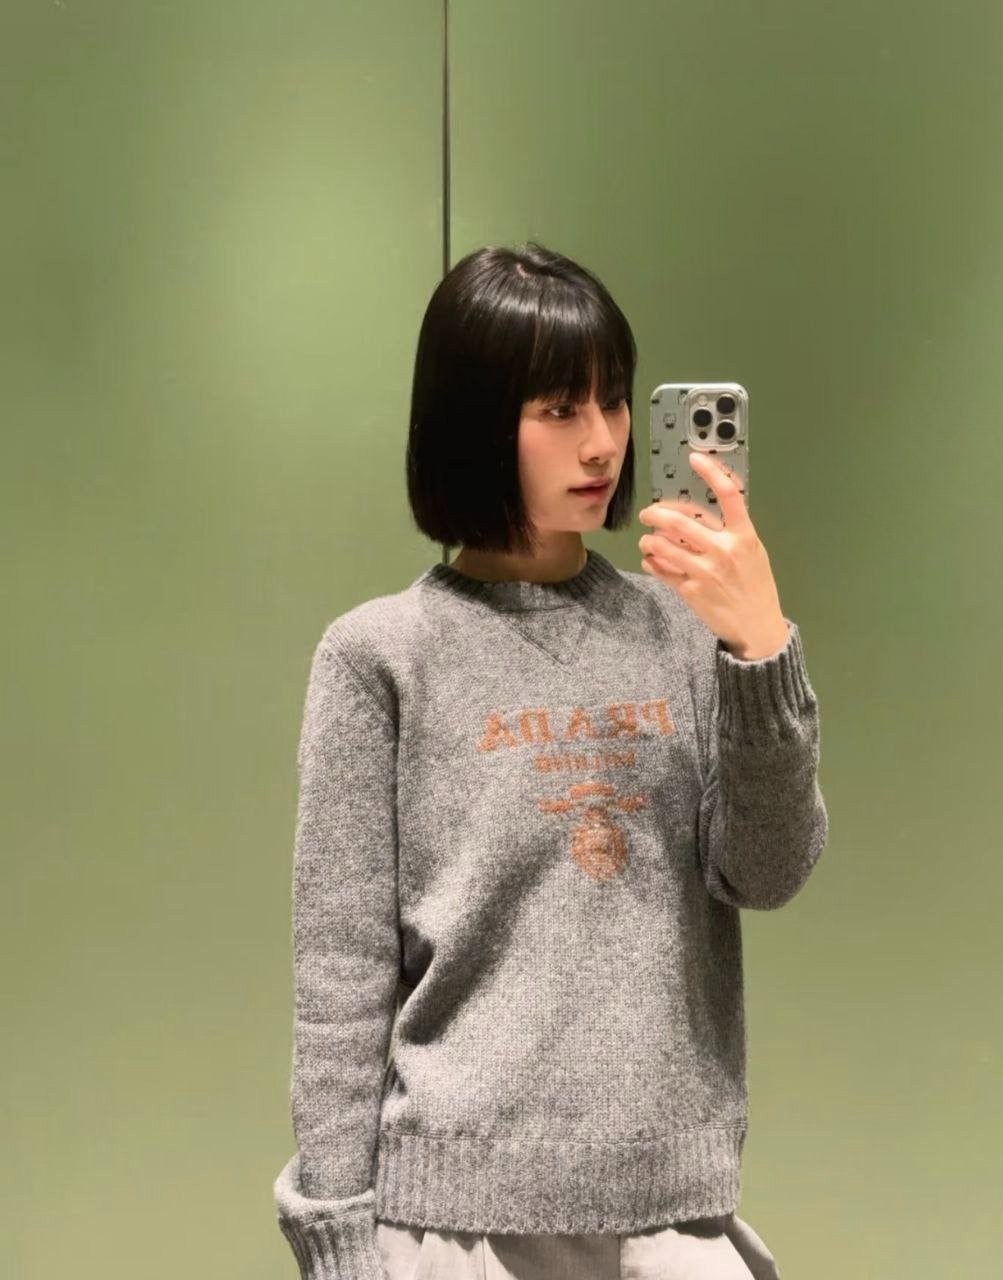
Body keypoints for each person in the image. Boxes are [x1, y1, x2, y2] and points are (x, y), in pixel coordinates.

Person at [272, 242, 829, 1279]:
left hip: (671, 1216)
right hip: (454, 1225)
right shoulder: (378, 656)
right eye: (560, 408)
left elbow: (769, 869)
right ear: (475, 421)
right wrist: (338, 1242)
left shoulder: (681, 630)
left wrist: (759, 650)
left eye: (612, 401)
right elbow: (340, 977)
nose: (604, 441)